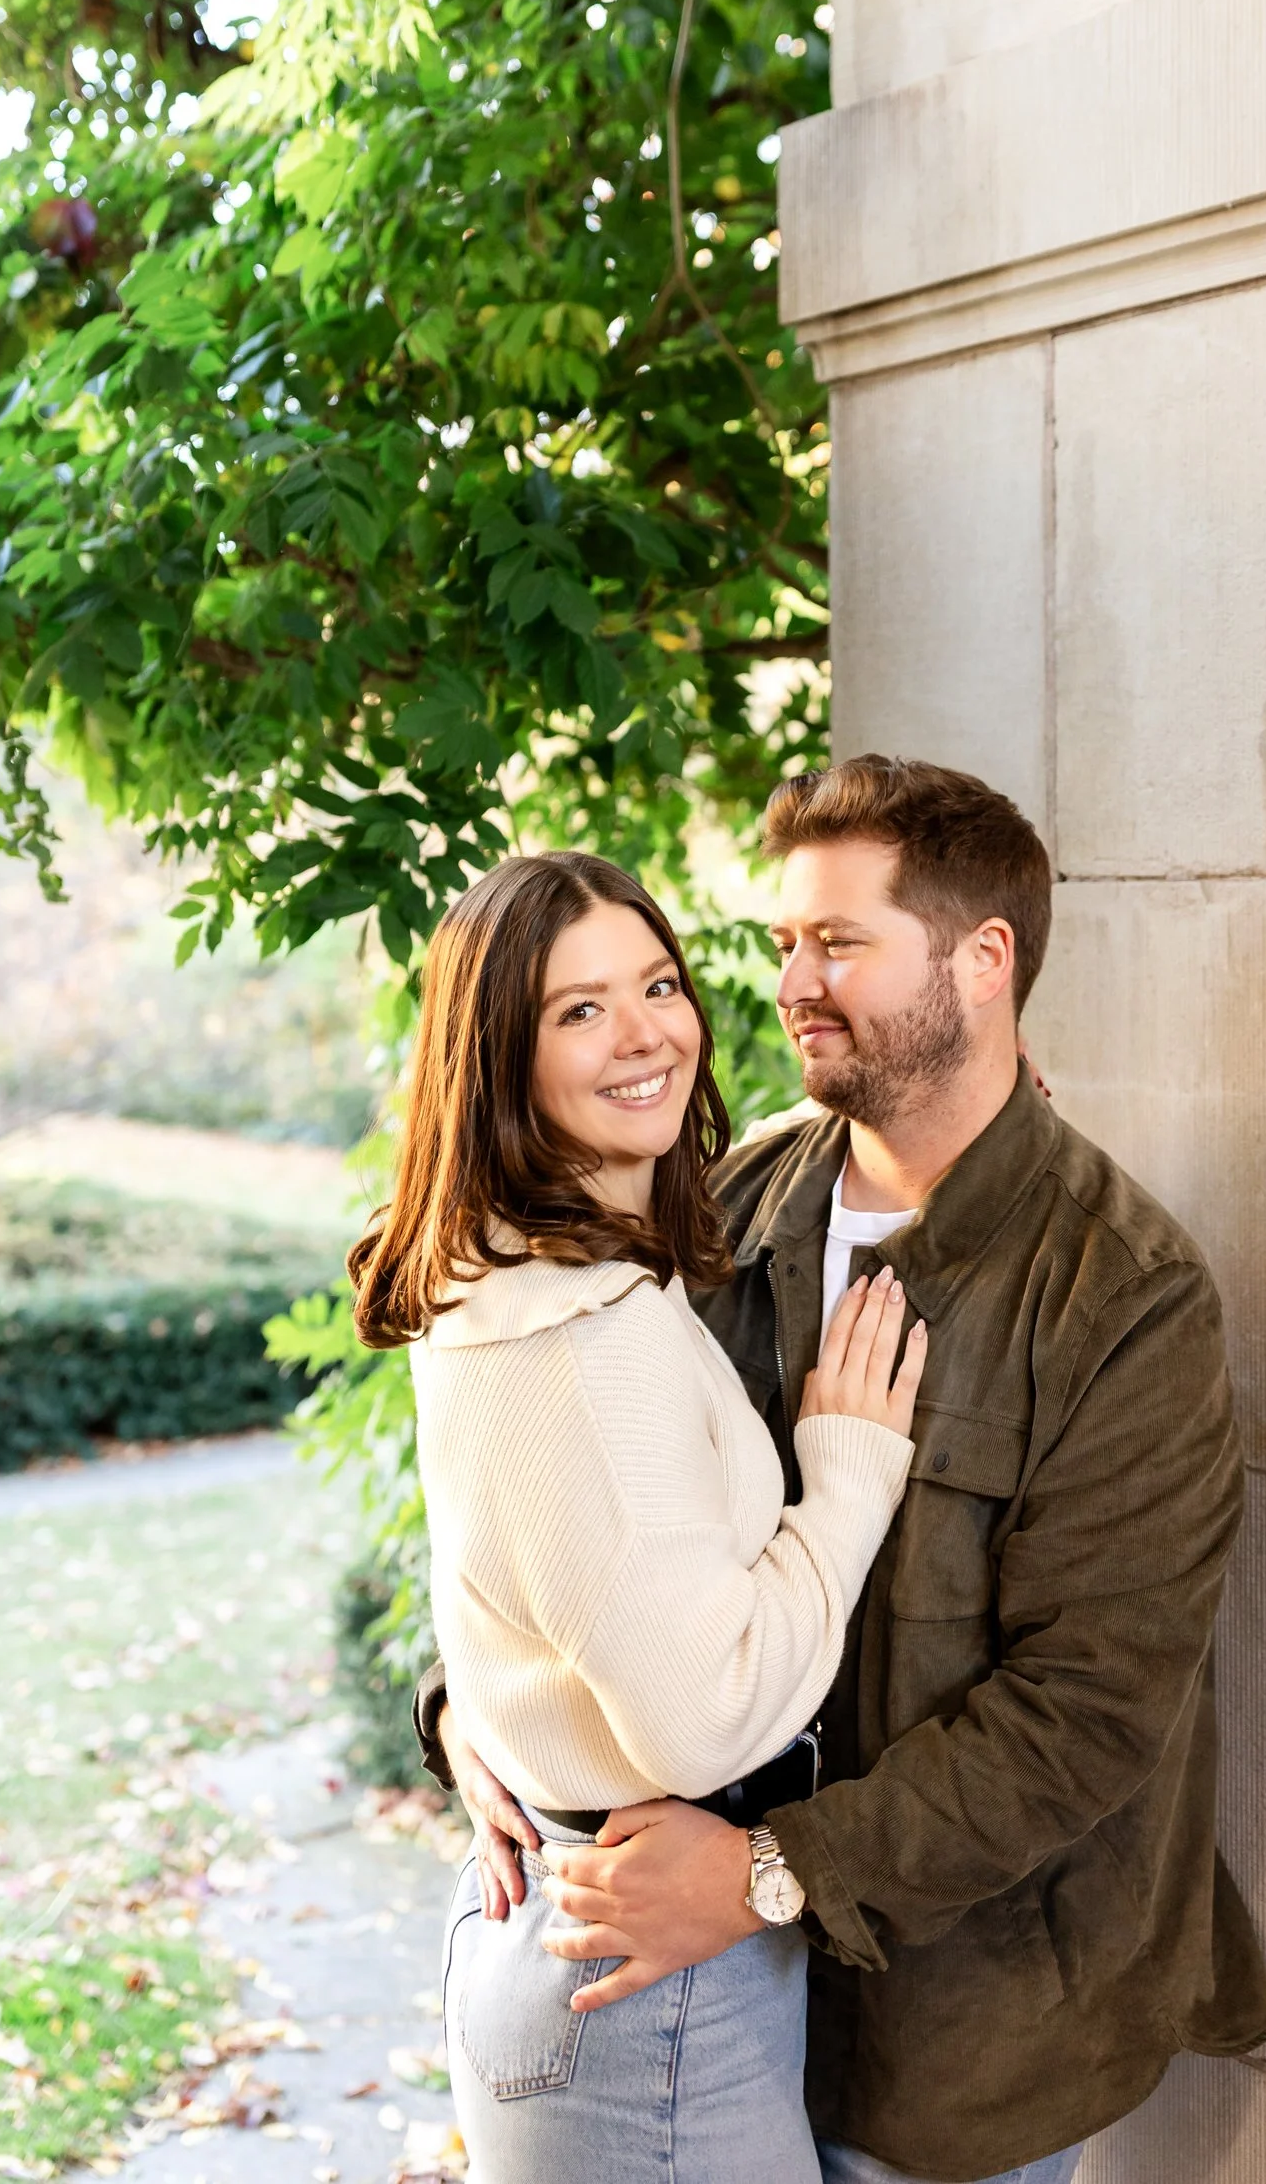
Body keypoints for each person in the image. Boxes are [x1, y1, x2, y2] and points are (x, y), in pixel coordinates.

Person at [421, 757, 1266, 2184]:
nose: (790, 985)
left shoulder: (1119, 1293)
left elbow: (1089, 1712)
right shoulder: (722, 1201)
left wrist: (768, 1877)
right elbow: (569, 1494)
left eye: (839, 944)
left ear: (981, 961)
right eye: (778, 946)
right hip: (686, 2008)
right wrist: (479, 1717)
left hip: (950, 2045)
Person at [347, 848, 928, 2184]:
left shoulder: (539, 1266)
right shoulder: (577, 1333)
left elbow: (554, 1573)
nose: (646, 1033)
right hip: (641, 1989)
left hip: (598, 1942)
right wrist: (843, 1480)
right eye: (577, 1011)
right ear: (500, 1059)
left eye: (655, 985)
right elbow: (704, 1715)